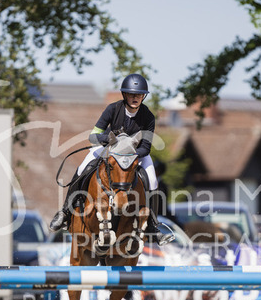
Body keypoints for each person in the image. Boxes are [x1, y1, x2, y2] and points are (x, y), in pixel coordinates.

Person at [49, 73, 174, 246]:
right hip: (109, 149)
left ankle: (153, 224)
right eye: (131, 94)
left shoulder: (148, 117)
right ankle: (65, 212)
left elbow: (145, 147)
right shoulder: (113, 109)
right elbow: (94, 136)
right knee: (83, 167)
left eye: (139, 95)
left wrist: (129, 155)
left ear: (143, 96)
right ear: (125, 95)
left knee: (152, 180)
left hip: (135, 154)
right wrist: (108, 140)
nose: (135, 98)